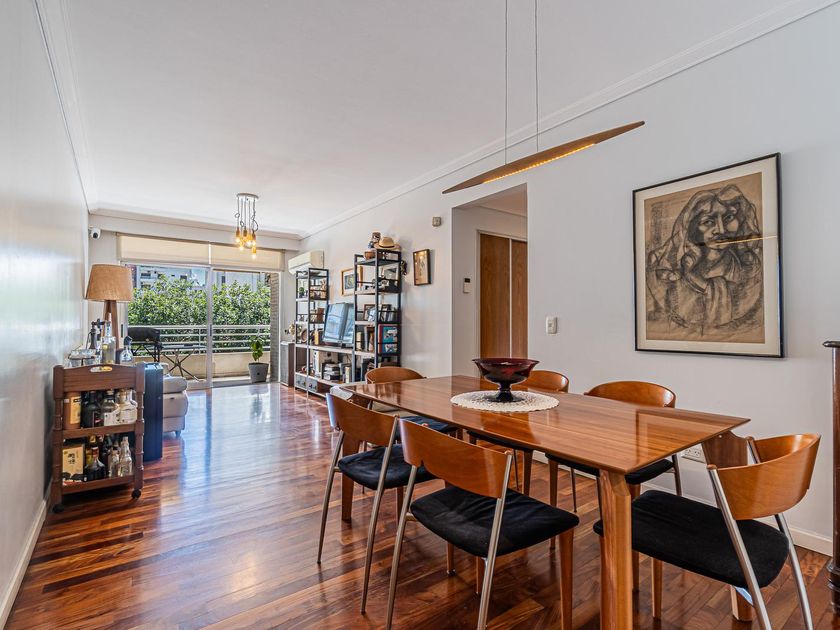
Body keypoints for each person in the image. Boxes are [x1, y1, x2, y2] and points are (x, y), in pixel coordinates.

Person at [646, 184, 763, 337]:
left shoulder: (751, 269)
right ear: (692, 228)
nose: (721, 230)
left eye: (729, 217)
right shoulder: (669, 275)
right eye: (708, 221)